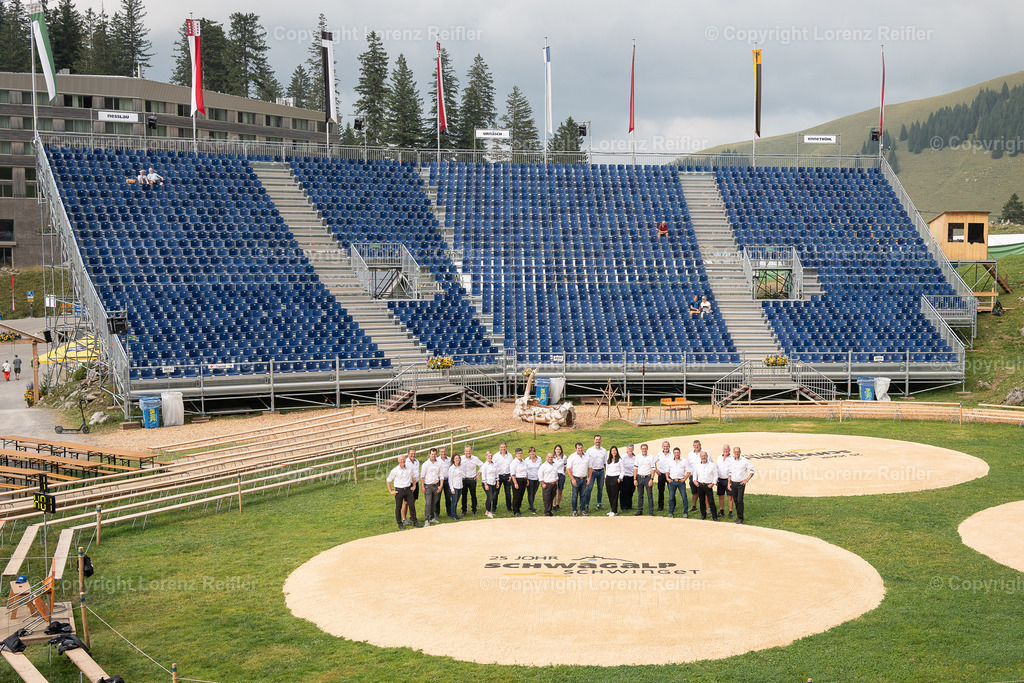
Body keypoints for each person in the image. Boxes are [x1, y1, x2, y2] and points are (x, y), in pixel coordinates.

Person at [386, 454, 421, 530]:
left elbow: (414, 477)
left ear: (405, 460)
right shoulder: (395, 470)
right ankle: (400, 523)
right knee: (398, 507)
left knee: (412, 506)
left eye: (403, 459)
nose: (402, 461)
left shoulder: (409, 468)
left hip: (408, 489)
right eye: (401, 459)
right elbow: (388, 480)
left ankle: (415, 521)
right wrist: (391, 491)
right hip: (399, 490)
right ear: (398, 461)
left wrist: (414, 486)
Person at [727, 446, 756, 524]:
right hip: (733, 483)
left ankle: (740, 518)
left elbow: (752, 470)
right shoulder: (731, 461)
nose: (736, 453)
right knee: (736, 500)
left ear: (740, 452)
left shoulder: (744, 460)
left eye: (738, 452)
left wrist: (747, 480)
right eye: (735, 452)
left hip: (740, 484)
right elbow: (729, 472)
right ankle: (738, 516)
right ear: (733, 452)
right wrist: (729, 483)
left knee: (740, 501)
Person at [566, 442, 592, 517]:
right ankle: (574, 510)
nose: (580, 449)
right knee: (575, 495)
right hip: (576, 479)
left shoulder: (587, 456)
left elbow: (590, 468)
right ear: (576, 449)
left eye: (581, 448)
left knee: (583, 495)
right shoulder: (572, 456)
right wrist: (572, 479)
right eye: (578, 448)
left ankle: (582, 510)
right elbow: (568, 469)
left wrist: (589, 477)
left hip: (584, 479)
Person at [693, 451, 719, 520]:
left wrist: (713, 483)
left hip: (708, 485)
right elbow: (695, 474)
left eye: (704, 455)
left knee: (711, 501)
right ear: (700, 457)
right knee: (701, 501)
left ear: (707, 456)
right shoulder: (697, 465)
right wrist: (695, 481)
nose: (703, 457)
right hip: (700, 485)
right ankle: (703, 515)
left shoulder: (711, 465)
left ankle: (714, 516)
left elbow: (715, 475)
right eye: (702, 456)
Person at [585, 434, 608, 511]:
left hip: (601, 471)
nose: (597, 441)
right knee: (589, 488)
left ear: (601, 440)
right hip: (592, 472)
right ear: (594, 440)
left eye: (599, 439)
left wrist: (606, 474)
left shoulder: (604, 450)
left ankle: (599, 504)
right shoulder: (589, 450)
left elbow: (606, 463)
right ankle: (586, 504)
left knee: (600, 488)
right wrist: (589, 473)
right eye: (596, 439)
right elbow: (586, 462)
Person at [633, 443, 657, 516]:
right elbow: (635, 468)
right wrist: (635, 479)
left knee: (649, 495)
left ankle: (651, 511)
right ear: (641, 449)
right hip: (639, 477)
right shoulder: (637, 457)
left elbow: (653, 469)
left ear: (647, 449)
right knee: (640, 495)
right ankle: (639, 510)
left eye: (645, 448)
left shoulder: (651, 457)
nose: (644, 450)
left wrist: (652, 479)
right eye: (643, 449)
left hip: (648, 477)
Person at [421, 449, 443, 524]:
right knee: (428, 503)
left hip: (436, 485)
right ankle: (426, 519)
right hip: (428, 486)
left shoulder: (439, 464)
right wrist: (422, 487)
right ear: (429, 454)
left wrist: (441, 486)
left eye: (434, 454)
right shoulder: (425, 464)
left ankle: (432, 517)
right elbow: (422, 476)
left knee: (434, 502)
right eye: (432, 454)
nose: (433, 456)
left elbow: (441, 476)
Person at [666, 447, 690, 517]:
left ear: (680, 453)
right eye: (675, 453)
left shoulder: (684, 461)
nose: (676, 454)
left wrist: (684, 479)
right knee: (671, 498)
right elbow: (667, 471)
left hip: (681, 481)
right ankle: (671, 512)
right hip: (672, 481)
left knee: (684, 497)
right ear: (673, 453)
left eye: (678, 452)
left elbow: (688, 471)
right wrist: (667, 478)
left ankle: (685, 512)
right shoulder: (670, 461)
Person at [461, 445, 482, 517]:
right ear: (464, 451)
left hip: (472, 479)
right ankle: (464, 510)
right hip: (463, 479)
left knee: (473, 495)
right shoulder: (461, 458)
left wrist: (478, 474)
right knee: (464, 496)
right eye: (467, 451)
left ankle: (474, 510)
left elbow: (482, 465)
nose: (468, 452)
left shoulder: (475, 458)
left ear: (471, 451)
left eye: (469, 451)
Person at [687, 440, 706, 513]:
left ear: (700, 445)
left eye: (697, 445)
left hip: (702, 476)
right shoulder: (690, 454)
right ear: (693, 446)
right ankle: (694, 506)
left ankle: (706, 507)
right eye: (695, 445)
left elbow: (709, 463)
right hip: (692, 476)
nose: (696, 446)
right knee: (694, 492)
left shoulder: (704, 453)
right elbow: (688, 465)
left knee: (704, 492)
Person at [402, 448, 420, 525]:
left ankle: (410, 516)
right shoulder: (405, 462)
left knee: (413, 500)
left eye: (414, 453)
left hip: (416, 483)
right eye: (411, 454)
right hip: (408, 484)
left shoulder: (417, 462)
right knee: (406, 502)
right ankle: (404, 518)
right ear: (408, 454)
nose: (413, 455)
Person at [716, 443, 734, 520]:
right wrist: (716, 479)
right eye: (724, 449)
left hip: (728, 480)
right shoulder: (719, 458)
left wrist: (729, 482)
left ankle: (730, 512)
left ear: (729, 450)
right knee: (720, 496)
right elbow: (716, 469)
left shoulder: (732, 459)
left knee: (729, 496)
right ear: (722, 450)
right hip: (720, 479)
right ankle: (721, 511)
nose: (725, 451)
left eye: (727, 449)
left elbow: (732, 470)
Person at [494, 442, 513, 512]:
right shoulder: (496, 456)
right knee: (496, 493)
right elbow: (493, 466)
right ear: (499, 448)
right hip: (499, 476)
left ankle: (509, 508)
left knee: (508, 493)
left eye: (504, 447)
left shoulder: (510, 456)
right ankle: (493, 508)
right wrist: (495, 478)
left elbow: (512, 466)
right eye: (502, 447)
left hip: (507, 475)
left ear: (506, 447)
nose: (503, 448)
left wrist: (511, 475)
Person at [510, 448, 528, 517]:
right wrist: (515, 483)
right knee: (516, 496)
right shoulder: (513, 463)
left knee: (521, 496)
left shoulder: (524, 462)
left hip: (523, 479)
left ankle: (518, 508)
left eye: (521, 453)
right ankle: (515, 510)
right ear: (516, 454)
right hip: (517, 480)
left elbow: (526, 471)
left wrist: (527, 479)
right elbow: (513, 474)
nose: (520, 455)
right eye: (518, 453)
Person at [604, 446, 622, 517]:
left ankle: (614, 510)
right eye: (612, 451)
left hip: (616, 477)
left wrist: (619, 478)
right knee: (610, 494)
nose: (613, 452)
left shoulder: (620, 460)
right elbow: (607, 469)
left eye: (615, 451)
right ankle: (613, 510)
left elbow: (623, 470)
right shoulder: (608, 460)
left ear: (617, 451)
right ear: (610, 452)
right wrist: (605, 477)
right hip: (608, 478)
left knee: (615, 495)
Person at [481, 451, 499, 518]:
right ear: (486, 456)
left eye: (491, 456)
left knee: (492, 496)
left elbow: (496, 473)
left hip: (493, 482)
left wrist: (497, 482)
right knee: (490, 496)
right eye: (489, 456)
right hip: (487, 483)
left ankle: (488, 510)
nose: (490, 457)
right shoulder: (484, 465)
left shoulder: (494, 464)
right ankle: (487, 511)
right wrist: (485, 484)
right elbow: (483, 476)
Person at [619, 443, 636, 511]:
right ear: (627, 449)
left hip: (633, 476)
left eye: (631, 449)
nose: (630, 450)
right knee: (624, 492)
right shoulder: (623, 457)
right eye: (629, 449)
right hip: (626, 476)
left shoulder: (635, 457)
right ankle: (623, 506)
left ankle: (629, 505)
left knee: (631, 491)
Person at [655, 441, 672, 511]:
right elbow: (653, 462)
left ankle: (673, 506)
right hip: (661, 474)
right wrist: (656, 470)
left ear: (669, 447)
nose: (666, 448)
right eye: (664, 446)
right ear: (662, 447)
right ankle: (660, 506)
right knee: (661, 491)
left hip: (670, 475)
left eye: (667, 446)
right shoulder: (659, 454)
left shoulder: (672, 454)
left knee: (671, 491)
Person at [525, 447, 542, 514]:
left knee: (534, 493)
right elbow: (525, 470)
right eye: (531, 452)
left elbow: (541, 469)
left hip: (537, 478)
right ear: (529, 453)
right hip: (530, 478)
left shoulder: (539, 459)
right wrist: (527, 479)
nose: (532, 453)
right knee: (530, 493)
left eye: (533, 451)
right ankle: (532, 508)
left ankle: (530, 506)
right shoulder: (526, 460)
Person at [448, 454, 464, 520]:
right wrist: (452, 488)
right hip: (454, 487)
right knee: (454, 502)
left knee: (456, 501)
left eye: (458, 458)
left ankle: (455, 514)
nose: (457, 460)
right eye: (456, 458)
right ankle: (453, 515)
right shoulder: (451, 468)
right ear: (453, 460)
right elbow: (450, 479)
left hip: (460, 486)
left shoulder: (460, 467)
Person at [437, 447, 452, 519]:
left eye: (444, 451)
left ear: (446, 452)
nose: (443, 453)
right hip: (439, 481)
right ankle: (437, 513)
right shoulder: (437, 460)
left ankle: (449, 512)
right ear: (439, 453)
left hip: (447, 480)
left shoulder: (449, 459)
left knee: (448, 498)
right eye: (441, 452)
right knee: (437, 498)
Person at [552, 444, 567, 511]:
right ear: (555, 450)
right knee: (554, 490)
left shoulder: (564, 457)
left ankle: (558, 504)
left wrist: (563, 473)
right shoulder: (552, 457)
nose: (558, 450)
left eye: (559, 449)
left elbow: (565, 466)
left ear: (561, 450)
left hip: (561, 474)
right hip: (554, 475)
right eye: (557, 449)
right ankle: (553, 505)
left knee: (560, 490)